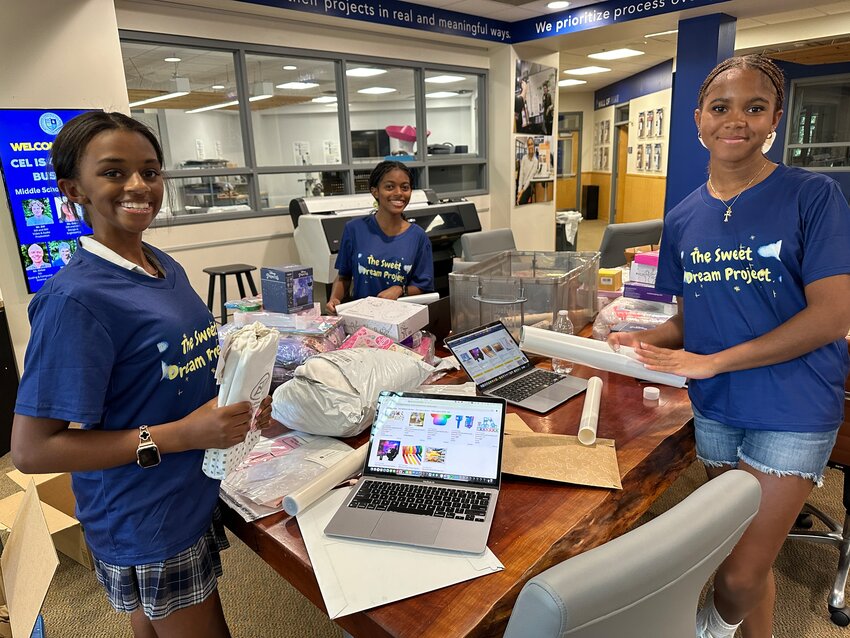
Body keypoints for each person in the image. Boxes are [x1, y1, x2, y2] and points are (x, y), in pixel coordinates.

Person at [607, 54, 850, 638]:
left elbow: (833, 314)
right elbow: (693, 322)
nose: (735, 119)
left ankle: (700, 633)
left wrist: (710, 361)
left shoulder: (812, 197)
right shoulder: (685, 216)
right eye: (721, 107)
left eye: (754, 107)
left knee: (736, 578)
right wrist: (639, 339)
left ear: (775, 119)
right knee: (745, 556)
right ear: (698, 119)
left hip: (792, 409)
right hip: (717, 408)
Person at [11, 111, 273, 638]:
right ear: (74, 190)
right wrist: (183, 435)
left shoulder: (160, 264)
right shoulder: (75, 300)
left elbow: (171, 367)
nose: (138, 186)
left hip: (183, 492)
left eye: (150, 171)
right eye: (113, 172)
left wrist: (238, 394)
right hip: (145, 514)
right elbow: (32, 451)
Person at [326, 160, 434, 313]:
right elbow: (343, 277)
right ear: (375, 191)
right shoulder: (354, 229)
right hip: (362, 319)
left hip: (400, 320)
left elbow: (423, 287)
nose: (399, 193)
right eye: (389, 187)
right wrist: (335, 299)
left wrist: (399, 289)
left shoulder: (418, 237)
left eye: (405, 187)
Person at [516, 137, 539, 205]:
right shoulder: (524, 158)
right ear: (527, 146)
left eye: (531, 144)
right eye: (529, 145)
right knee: (515, 201)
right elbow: (521, 175)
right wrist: (519, 191)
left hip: (528, 186)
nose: (530, 146)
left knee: (521, 202)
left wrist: (522, 191)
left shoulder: (535, 161)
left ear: (534, 145)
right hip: (521, 185)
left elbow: (530, 178)